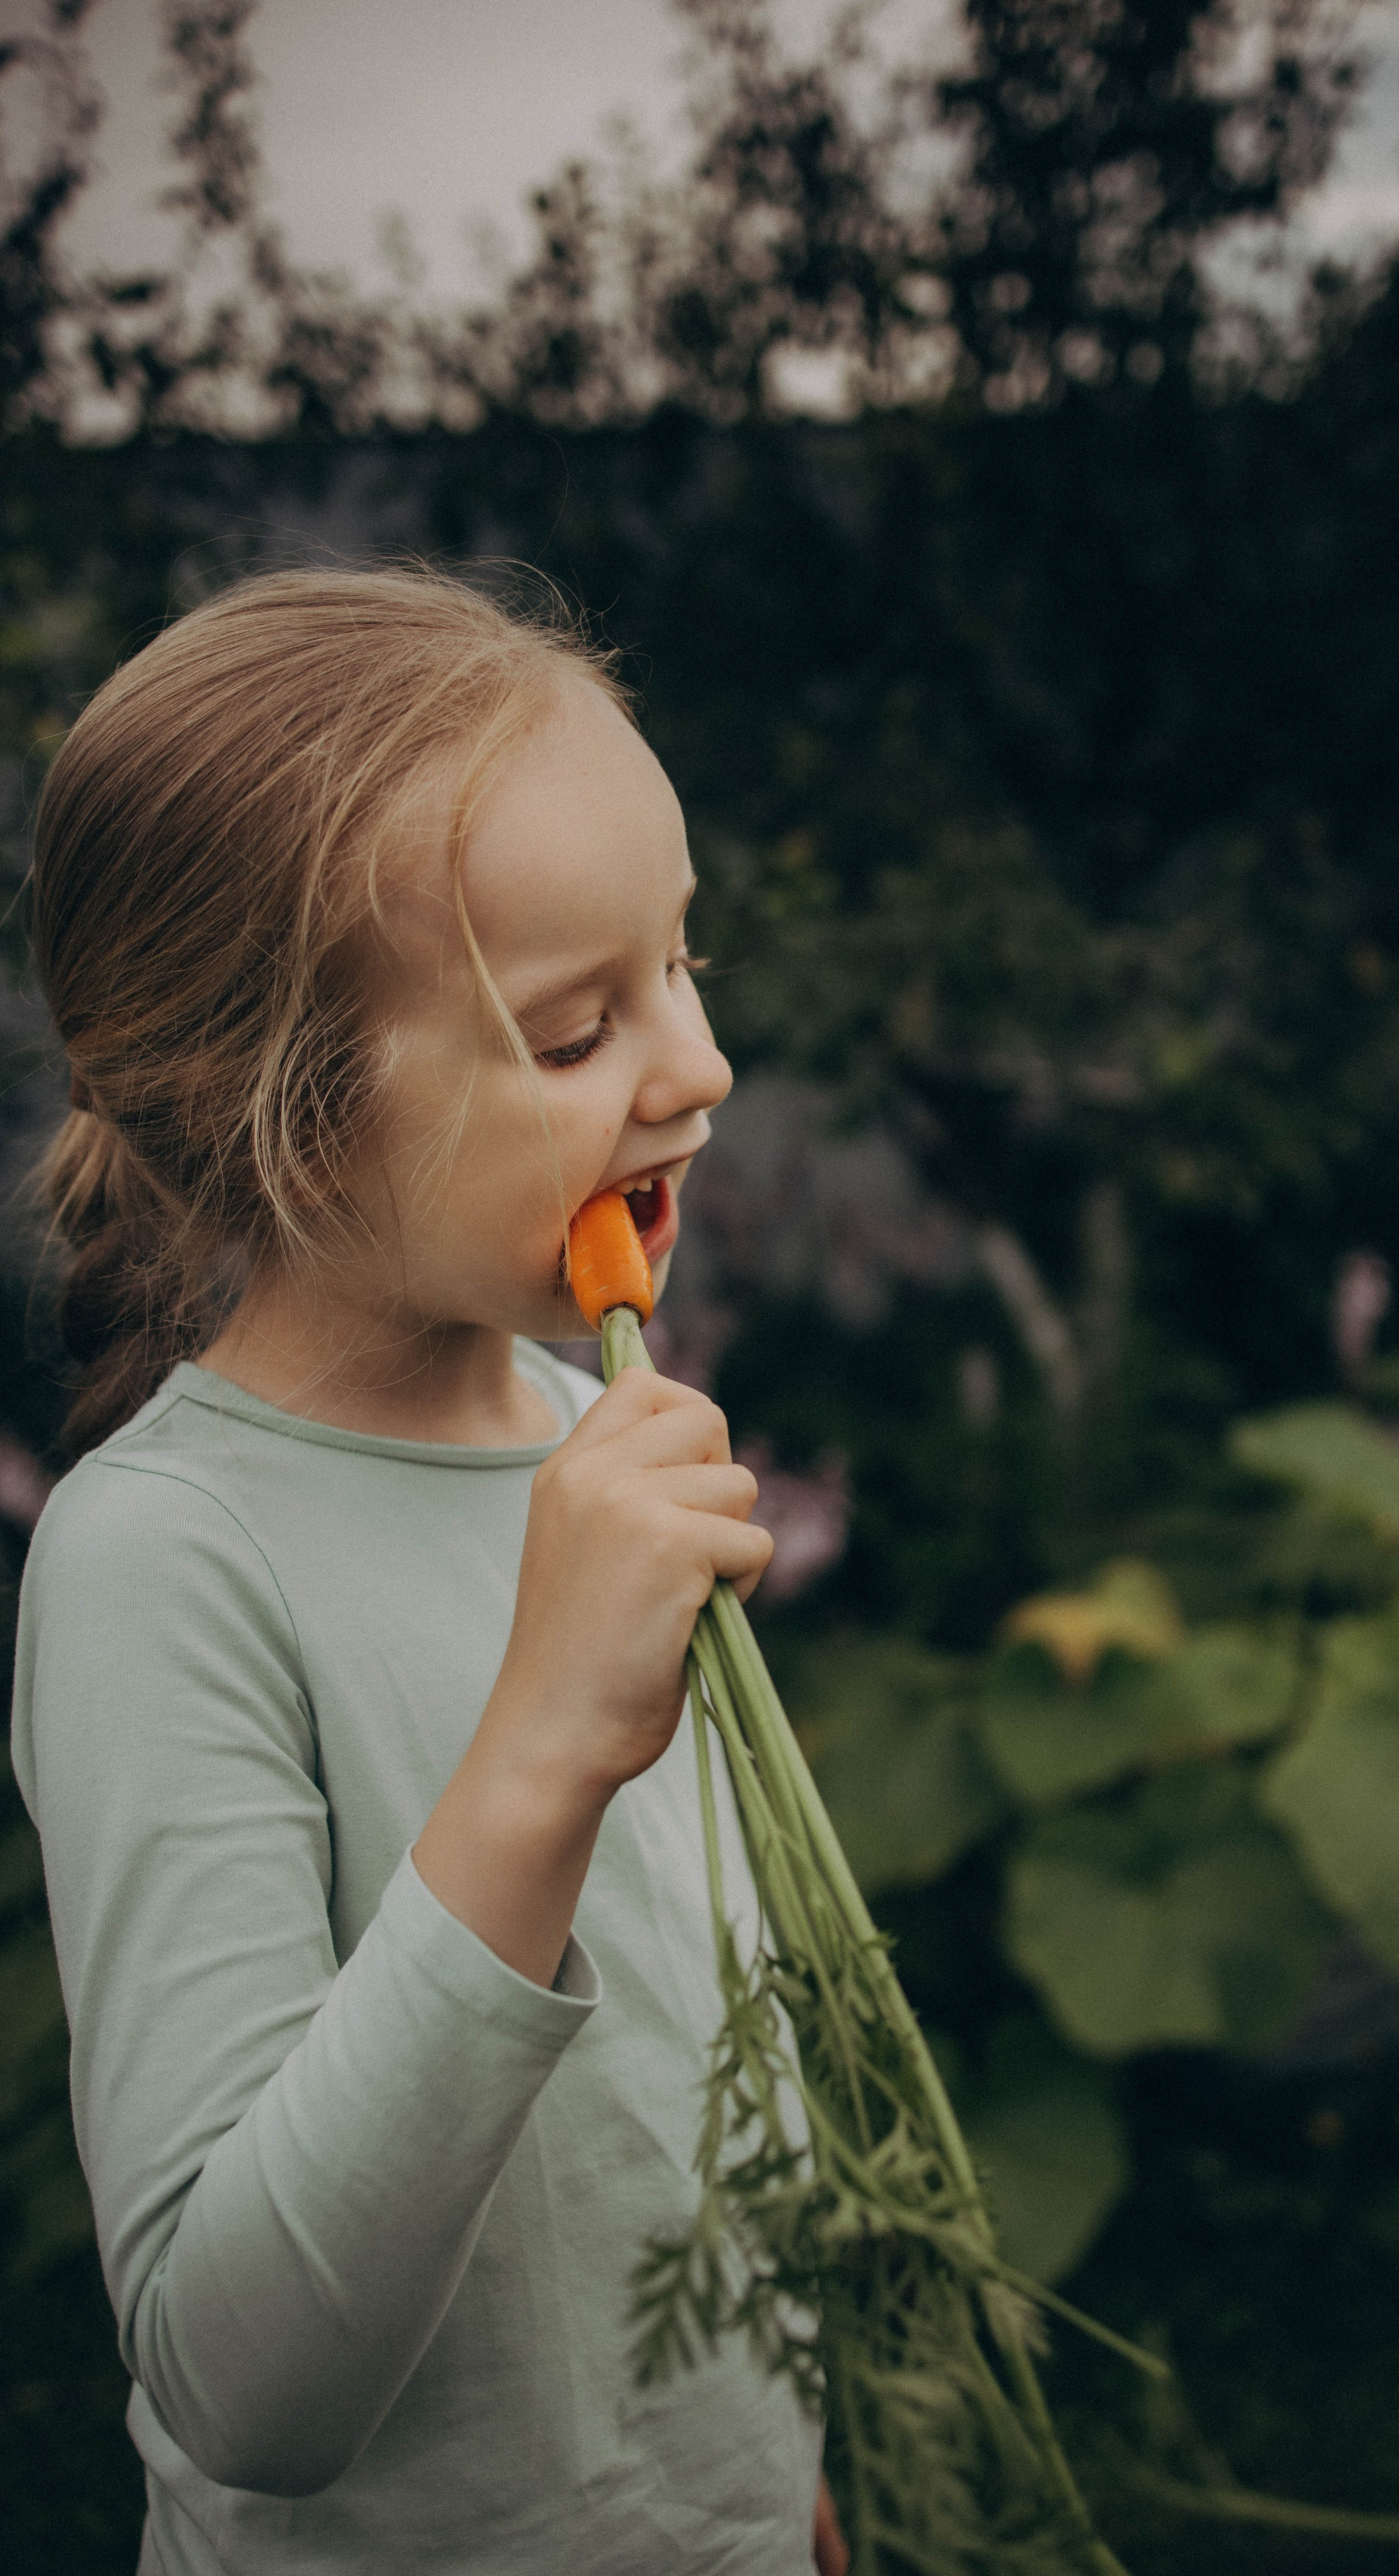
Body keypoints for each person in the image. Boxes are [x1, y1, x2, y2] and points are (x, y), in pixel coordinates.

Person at [10, 566, 850, 2576]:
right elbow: (246, 2389)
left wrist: (775, 2466)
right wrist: (541, 1748)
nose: (697, 1065)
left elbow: (682, 2073)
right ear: (268, 1114)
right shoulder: (166, 1564)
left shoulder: (588, 1437)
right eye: (579, 1025)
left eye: (684, 960)